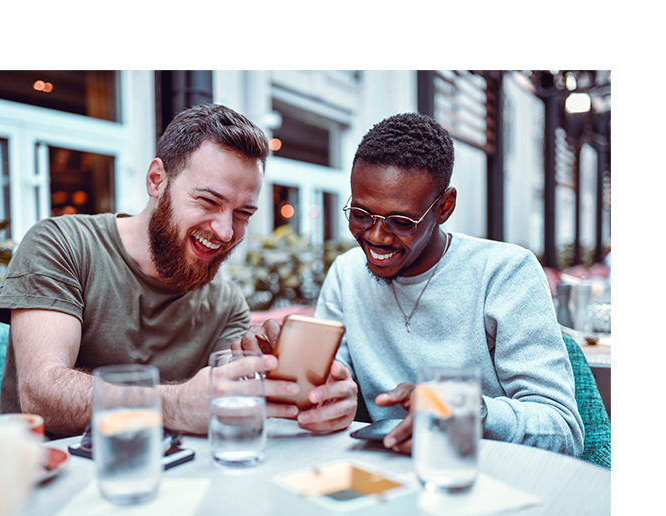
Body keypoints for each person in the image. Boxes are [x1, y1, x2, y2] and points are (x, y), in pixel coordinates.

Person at [0, 103, 356, 438]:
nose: (226, 232)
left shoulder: (225, 303)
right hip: (34, 483)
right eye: (208, 201)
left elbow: (227, 400)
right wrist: (173, 403)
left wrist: (303, 399)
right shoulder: (62, 244)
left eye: (243, 213)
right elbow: (41, 394)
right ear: (156, 181)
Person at [241, 112, 584, 457]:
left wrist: (462, 410)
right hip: (383, 472)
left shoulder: (505, 273)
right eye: (360, 215)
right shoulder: (347, 273)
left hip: (480, 476)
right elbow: (332, 385)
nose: (375, 237)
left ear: (444, 207)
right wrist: (291, 378)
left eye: (401, 222)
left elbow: (562, 430)